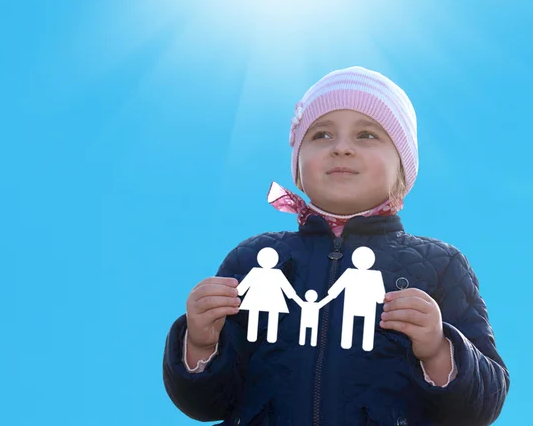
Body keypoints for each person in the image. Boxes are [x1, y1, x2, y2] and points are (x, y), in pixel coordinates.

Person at [162, 66, 510, 426]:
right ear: (297, 167)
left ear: (402, 171)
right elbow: (207, 404)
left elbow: (481, 406)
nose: (342, 148)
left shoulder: (441, 265)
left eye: (367, 135)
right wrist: (200, 345)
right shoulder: (250, 259)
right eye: (322, 134)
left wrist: (438, 350)